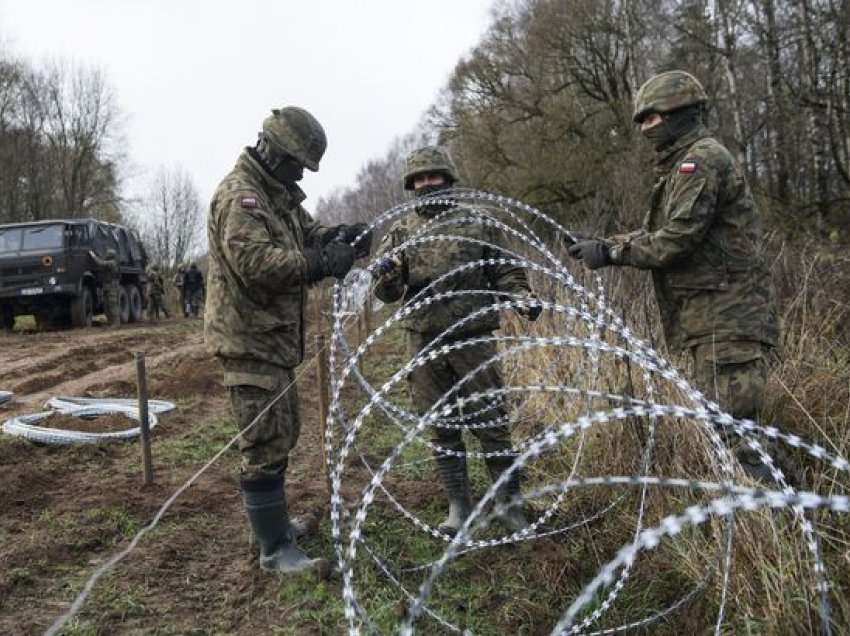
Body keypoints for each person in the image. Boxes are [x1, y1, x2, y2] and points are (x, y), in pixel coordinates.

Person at [567, 70, 780, 480]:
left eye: (653, 117)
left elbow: (675, 241)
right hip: (714, 318)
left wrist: (611, 252)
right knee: (730, 435)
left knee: (741, 441)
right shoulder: (684, 164)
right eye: (642, 120)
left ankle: (792, 524)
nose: (646, 127)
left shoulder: (699, 161)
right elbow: (663, 234)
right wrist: (602, 241)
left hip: (727, 319)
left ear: (681, 113)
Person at [205, 106, 371, 575]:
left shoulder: (277, 197)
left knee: (282, 433)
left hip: (272, 341)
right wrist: (320, 263)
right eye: (299, 162)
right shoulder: (243, 199)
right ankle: (274, 551)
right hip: (249, 341)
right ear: (274, 152)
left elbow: (309, 232)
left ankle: (275, 530)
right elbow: (258, 264)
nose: (302, 172)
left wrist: (342, 237)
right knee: (264, 443)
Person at [373, 145, 541, 536]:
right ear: (411, 185)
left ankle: (509, 504)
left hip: (473, 336)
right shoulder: (401, 231)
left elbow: (507, 271)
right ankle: (458, 506)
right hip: (424, 339)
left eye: (434, 176)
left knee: (491, 422)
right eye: (420, 179)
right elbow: (387, 293)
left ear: (448, 179)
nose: (428, 184)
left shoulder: (479, 222)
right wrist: (385, 275)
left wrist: (521, 297)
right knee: (440, 425)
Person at [89, 247, 121, 326]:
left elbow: (100, 263)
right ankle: (110, 322)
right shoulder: (110, 262)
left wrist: (93, 256)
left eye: (107, 254)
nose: (106, 255)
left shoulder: (112, 263)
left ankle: (116, 323)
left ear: (110, 255)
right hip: (107, 286)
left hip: (112, 286)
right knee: (106, 305)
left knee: (113, 304)